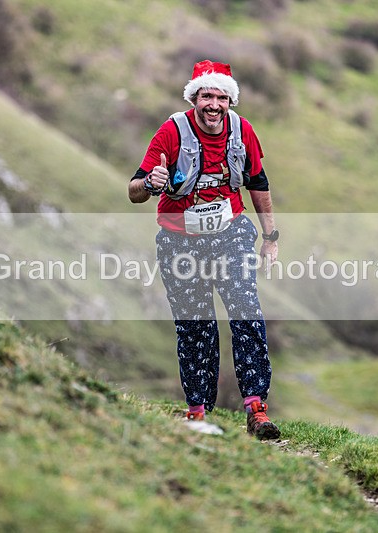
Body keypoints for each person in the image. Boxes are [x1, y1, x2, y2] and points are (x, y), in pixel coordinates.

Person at [128, 60, 281, 440]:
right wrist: (150, 182)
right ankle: (197, 410)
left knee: (246, 312)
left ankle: (256, 409)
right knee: (196, 326)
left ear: (230, 101)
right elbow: (133, 191)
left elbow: (258, 181)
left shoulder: (242, 130)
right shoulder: (171, 131)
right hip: (179, 241)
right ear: (194, 97)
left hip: (231, 234)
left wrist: (270, 238)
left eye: (221, 97)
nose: (214, 104)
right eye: (206, 96)